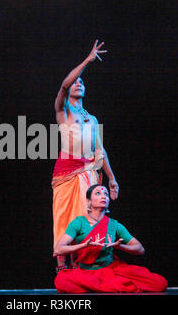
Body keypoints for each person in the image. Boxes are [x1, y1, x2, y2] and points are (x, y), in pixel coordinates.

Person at [52, 40, 119, 271]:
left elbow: (100, 151)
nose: (78, 84)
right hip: (68, 172)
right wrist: (87, 61)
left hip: (90, 172)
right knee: (65, 219)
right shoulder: (64, 112)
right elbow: (63, 85)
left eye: (82, 82)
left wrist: (111, 178)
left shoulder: (91, 118)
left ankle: (86, 265)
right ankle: (63, 266)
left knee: (87, 219)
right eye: (75, 82)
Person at [53, 184, 168, 293]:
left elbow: (140, 249)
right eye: (98, 193)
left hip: (110, 270)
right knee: (61, 281)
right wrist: (84, 245)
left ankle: (102, 286)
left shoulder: (114, 225)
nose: (103, 196)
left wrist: (119, 246)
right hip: (85, 272)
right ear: (88, 201)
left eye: (106, 194)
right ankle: (107, 286)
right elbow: (58, 249)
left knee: (159, 283)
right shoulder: (78, 223)